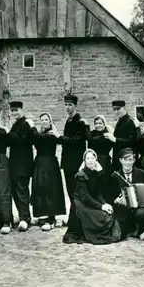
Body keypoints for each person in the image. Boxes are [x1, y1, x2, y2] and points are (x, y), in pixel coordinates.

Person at [62, 149, 122, 245]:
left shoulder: (95, 174)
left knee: (109, 214)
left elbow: (98, 193)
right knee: (104, 217)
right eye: (88, 158)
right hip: (81, 204)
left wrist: (105, 204)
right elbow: (85, 197)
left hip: (90, 201)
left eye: (93, 158)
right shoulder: (81, 175)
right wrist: (101, 207)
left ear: (96, 160)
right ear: (84, 161)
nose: (90, 160)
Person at [110, 148, 144, 241]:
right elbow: (109, 195)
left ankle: (140, 229)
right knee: (118, 236)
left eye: (130, 160)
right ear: (120, 160)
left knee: (142, 212)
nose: (128, 163)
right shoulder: (114, 176)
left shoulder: (142, 174)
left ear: (134, 160)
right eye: (125, 160)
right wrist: (116, 200)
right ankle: (133, 230)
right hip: (122, 210)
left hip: (138, 209)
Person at [31, 113, 67, 231]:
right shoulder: (41, 134)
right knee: (41, 188)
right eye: (42, 120)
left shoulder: (51, 134)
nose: (44, 121)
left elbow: (38, 138)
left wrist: (32, 127)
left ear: (50, 121)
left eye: (46, 119)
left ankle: (51, 218)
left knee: (51, 189)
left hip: (50, 163)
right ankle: (44, 215)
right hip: (40, 162)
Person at [58, 95, 90, 228]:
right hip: (67, 163)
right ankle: (73, 217)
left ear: (75, 106)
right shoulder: (69, 121)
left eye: (70, 105)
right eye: (66, 105)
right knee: (70, 191)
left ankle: (80, 219)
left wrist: (60, 138)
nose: (67, 107)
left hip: (76, 162)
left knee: (77, 190)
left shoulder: (80, 122)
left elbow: (75, 141)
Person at [7, 101, 34, 231]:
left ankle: (25, 218)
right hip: (15, 164)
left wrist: (9, 133)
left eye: (16, 110)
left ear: (21, 110)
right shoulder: (16, 124)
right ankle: (22, 215)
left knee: (22, 190)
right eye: (12, 111)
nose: (14, 113)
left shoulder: (25, 124)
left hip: (23, 164)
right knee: (15, 191)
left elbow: (21, 140)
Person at [108, 100, 138, 170]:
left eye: (118, 109)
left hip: (126, 158)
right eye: (114, 109)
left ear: (124, 108)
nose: (116, 111)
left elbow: (132, 141)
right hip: (119, 157)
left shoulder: (130, 121)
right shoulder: (119, 121)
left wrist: (115, 139)